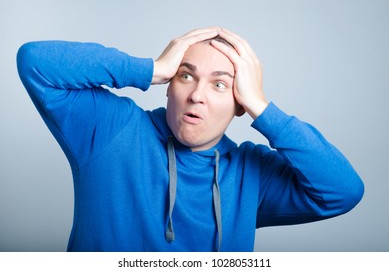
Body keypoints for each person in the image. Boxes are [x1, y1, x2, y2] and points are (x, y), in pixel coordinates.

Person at [16, 27, 364, 252]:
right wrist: (150, 68)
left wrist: (262, 107)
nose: (197, 95)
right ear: (170, 85)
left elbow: (343, 190)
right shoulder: (112, 129)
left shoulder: (250, 174)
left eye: (219, 84)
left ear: (239, 103)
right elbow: (35, 61)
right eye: (186, 75)